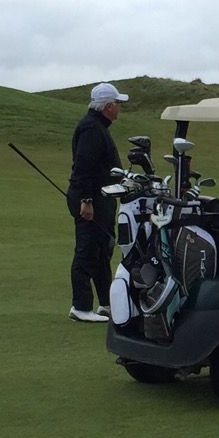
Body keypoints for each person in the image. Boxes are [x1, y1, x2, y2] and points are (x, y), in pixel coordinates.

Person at [66, 82, 128, 322]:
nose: (119, 108)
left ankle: (105, 304)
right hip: (91, 202)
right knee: (87, 252)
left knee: (102, 252)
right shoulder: (91, 129)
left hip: (101, 201)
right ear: (108, 106)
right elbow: (83, 168)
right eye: (117, 104)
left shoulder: (99, 126)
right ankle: (80, 307)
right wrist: (86, 200)